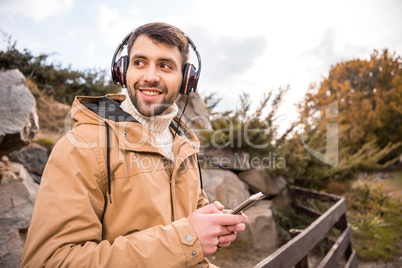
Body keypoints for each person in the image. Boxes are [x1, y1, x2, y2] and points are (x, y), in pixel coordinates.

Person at [21, 22, 247, 267]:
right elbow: (49, 261)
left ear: (186, 78)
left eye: (165, 65)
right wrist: (188, 238)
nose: (150, 77)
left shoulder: (184, 145)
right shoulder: (82, 146)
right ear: (122, 71)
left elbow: (189, 219)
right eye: (140, 62)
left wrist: (211, 219)